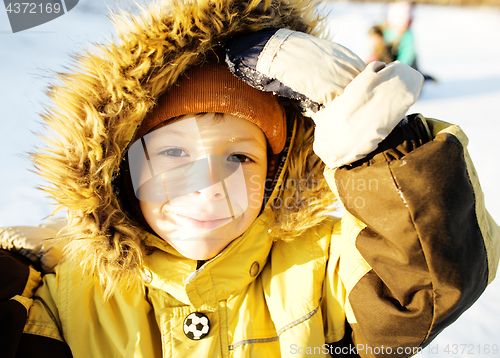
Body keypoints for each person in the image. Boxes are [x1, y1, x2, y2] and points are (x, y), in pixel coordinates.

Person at [1, 0, 498, 357]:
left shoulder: (323, 267)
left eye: (239, 157)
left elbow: (427, 285)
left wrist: (381, 150)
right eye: (173, 152)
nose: (209, 185)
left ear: (277, 172)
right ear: (117, 172)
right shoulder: (60, 294)